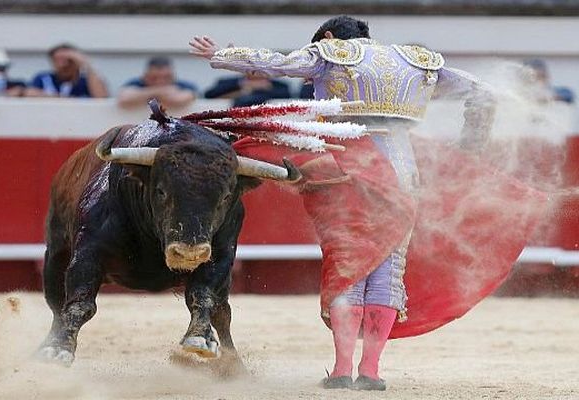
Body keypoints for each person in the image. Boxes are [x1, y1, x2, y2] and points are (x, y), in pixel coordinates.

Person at [190, 16, 546, 391]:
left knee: (349, 264)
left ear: (328, 37)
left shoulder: (331, 53)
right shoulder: (416, 61)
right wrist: (469, 146)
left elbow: (276, 63)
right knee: (387, 269)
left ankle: (343, 370)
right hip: (403, 169)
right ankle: (371, 372)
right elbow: (483, 93)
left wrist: (222, 55)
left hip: (347, 166)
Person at [26, 43, 108, 98]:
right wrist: (60, 98)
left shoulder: (86, 81)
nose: (63, 65)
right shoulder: (43, 78)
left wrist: (87, 65)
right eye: (57, 60)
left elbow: (101, 97)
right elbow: (29, 93)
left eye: (69, 61)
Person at [117, 56, 197, 109]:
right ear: (145, 76)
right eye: (154, 78)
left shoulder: (184, 85)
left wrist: (144, 95)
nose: (160, 81)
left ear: (173, 76)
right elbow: (124, 99)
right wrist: (158, 91)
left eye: (166, 77)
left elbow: (180, 100)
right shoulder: (136, 83)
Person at [204, 72, 290, 107]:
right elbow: (209, 95)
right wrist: (242, 85)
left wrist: (264, 88)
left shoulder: (278, 85)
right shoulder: (229, 82)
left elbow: (287, 96)